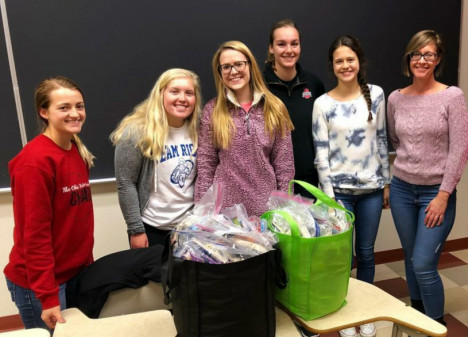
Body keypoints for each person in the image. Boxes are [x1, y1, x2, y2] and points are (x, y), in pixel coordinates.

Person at [386, 30, 468, 325]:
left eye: (428, 54)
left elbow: (459, 149)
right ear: (408, 58)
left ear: (438, 59)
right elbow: (396, 140)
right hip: (401, 191)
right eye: (416, 54)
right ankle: (419, 312)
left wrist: (443, 195)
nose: (421, 60)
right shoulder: (396, 98)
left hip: (436, 193)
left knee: (423, 262)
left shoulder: (452, 96)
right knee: (410, 257)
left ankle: (436, 324)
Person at [312, 35, 389, 337]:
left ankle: (365, 312)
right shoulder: (323, 103)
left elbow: (382, 139)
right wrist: (329, 198)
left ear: (359, 62)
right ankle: (346, 310)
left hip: (371, 191)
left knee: (367, 253)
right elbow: (321, 152)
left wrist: (385, 182)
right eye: (339, 60)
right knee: (343, 257)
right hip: (339, 195)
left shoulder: (377, 95)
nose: (345, 65)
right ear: (332, 66)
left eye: (350, 59)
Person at [4, 76, 95, 330]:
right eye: (64, 107)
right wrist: (47, 296)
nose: (75, 113)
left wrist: (86, 266)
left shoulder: (75, 148)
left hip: (74, 274)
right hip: (42, 284)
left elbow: (78, 220)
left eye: (80, 106)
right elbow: (35, 236)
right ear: (43, 112)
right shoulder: (34, 163)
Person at [195, 41, 294, 217]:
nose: (233, 72)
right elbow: (206, 165)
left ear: (250, 65)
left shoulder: (274, 107)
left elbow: (284, 166)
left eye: (239, 64)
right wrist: (202, 214)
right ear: (220, 72)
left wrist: (284, 211)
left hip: (267, 213)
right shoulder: (212, 110)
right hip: (225, 216)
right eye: (226, 67)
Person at [111, 68, 201, 248]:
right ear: (160, 94)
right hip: (151, 229)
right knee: (153, 277)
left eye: (189, 93)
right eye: (174, 91)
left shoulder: (200, 131)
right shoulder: (136, 132)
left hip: (189, 229)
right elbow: (126, 184)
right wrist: (136, 230)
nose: (182, 98)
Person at [263, 19, 325, 199]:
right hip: (272, 184)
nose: (289, 50)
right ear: (271, 48)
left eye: (294, 44)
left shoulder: (313, 84)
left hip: (310, 184)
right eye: (281, 44)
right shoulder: (259, 86)